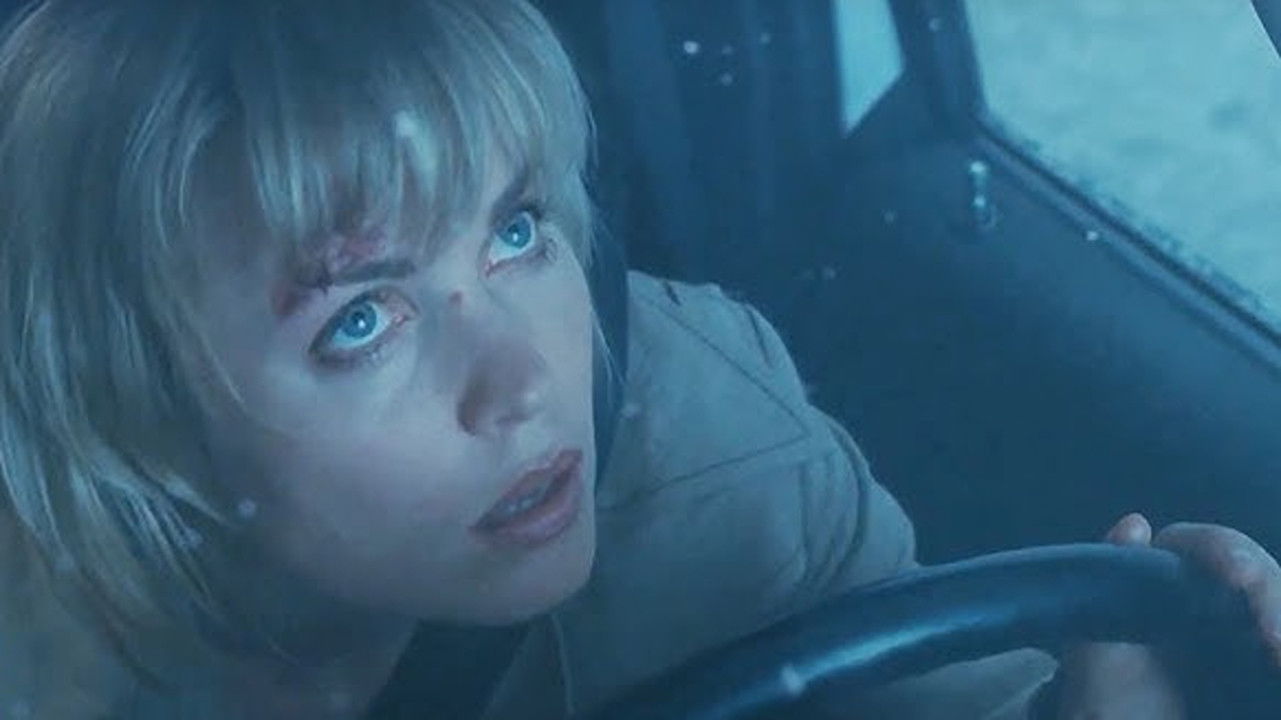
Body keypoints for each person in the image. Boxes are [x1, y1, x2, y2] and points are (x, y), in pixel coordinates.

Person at [0, 1, 1278, 718]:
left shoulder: (706, 439)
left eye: (515, 230)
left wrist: (1100, 702)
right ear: (137, 419)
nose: (529, 384)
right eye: (363, 322)